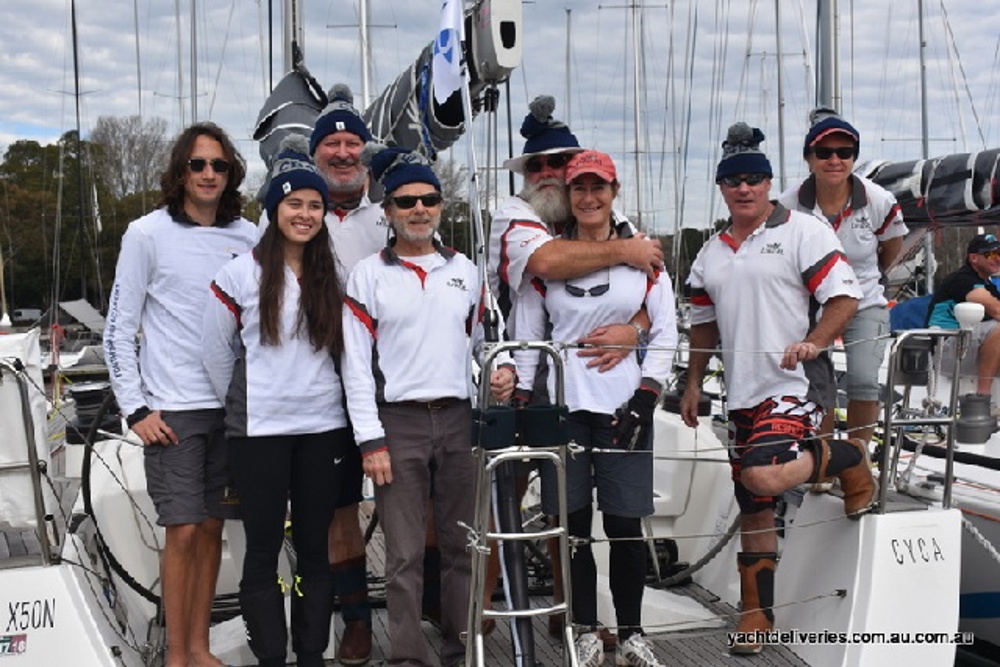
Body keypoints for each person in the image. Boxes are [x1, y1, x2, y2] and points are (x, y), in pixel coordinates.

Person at [679, 122, 874, 655]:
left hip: (796, 382)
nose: (744, 188)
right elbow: (702, 324)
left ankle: (850, 456)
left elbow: (844, 297)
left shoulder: (804, 232)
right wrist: (694, 383)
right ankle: (755, 616)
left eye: (755, 179)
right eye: (734, 180)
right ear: (722, 188)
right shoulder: (710, 254)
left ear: (769, 184)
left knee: (764, 475)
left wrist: (814, 342)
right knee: (755, 502)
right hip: (739, 391)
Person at [341, 144, 515, 667]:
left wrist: (497, 372)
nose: (419, 209)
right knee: (403, 554)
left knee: (464, 544)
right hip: (399, 421)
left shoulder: (467, 272)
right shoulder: (367, 276)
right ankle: (409, 658)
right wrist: (370, 440)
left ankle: (461, 649)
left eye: (429, 199)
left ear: (442, 206)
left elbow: (481, 345)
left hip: (460, 417)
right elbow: (354, 365)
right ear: (388, 212)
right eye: (406, 201)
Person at [512, 150, 677, 667]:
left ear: (613, 191)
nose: (588, 198)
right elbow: (527, 336)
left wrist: (648, 395)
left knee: (625, 527)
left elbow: (667, 328)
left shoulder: (645, 259)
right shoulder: (550, 259)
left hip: (624, 408)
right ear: (568, 193)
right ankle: (585, 628)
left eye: (598, 188)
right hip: (566, 410)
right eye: (579, 188)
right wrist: (519, 391)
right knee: (574, 527)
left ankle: (632, 634)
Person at [103, 122, 257, 667]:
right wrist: (137, 408)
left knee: (213, 526)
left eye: (219, 165)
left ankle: (198, 647)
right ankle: (176, 655)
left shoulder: (249, 237)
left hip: (231, 408)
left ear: (230, 172)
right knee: (184, 529)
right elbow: (117, 329)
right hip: (173, 408)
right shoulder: (146, 234)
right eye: (198, 164)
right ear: (180, 172)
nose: (209, 174)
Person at [202, 136, 349, 667]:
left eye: (314, 205)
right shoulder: (239, 274)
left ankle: (311, 655)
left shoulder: (335, 276)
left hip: (323, 429)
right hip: (258, 433)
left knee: (315, 551)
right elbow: (216, 353)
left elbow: (347, 355)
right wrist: (241, 406)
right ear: (273, 209)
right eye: (294, 204)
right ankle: (272, 658)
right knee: (262, 555)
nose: (305, 214)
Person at [258, 84, 385, 664]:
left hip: (393, 379)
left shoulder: (390, 217)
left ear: (364, 149)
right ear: (314, 155)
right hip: (325, 385)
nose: (340, 151)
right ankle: (355, 620)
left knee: (419, 496)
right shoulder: (298, 217)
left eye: (350, 141)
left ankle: (432, 599)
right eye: (329, 142)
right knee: (339, 511)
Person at [778, 108, 907, 446]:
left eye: (844, 152)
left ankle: (857, 459)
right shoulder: (787, 205)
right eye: (824, 152)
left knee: (864, 380)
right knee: (818, 382)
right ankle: (822, 458)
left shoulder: (880, 201)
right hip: (810, 304)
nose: (834, 160)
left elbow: (891, 249)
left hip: (864, 300)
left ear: (853, 158)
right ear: (809, 159)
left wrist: (868, 277)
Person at [926, 233, 1000, 396]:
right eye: (991, 254)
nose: (997, 258)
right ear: (974, 258)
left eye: (999, 253)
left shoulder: (989, 286)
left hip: (967, 347)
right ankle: (983, 397)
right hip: (945, 351)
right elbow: (996, 310)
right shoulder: (962, 279)